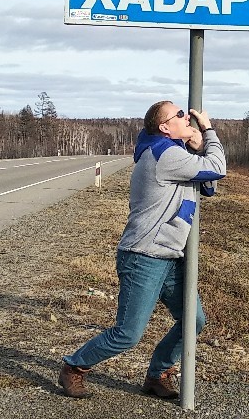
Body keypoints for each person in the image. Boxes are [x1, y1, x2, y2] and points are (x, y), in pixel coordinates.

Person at [58, 100, 226, 400]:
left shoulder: (176, 153)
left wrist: (196, 146)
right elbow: (218, 168)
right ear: (164, 127)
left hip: (170, 256)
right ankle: (74, 366)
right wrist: (209, 131)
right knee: (127, 335)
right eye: (179, 115)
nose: (187, 116)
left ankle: (157, 374)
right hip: (143, 256)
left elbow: (208, 184)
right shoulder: (164, 155)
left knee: (193, 320)